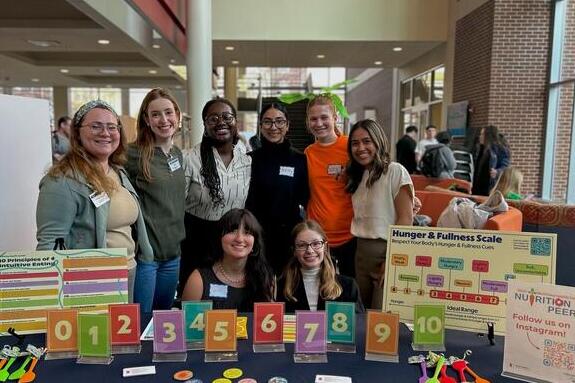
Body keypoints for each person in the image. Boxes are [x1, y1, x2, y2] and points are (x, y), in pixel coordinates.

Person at [36, 100, 153, 303]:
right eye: (96, 126)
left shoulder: (118, 172)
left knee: (119, 335)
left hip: (128, 271)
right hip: (90, 281)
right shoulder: (62, 180)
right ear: (77, 133)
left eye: (112, 127)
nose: (105, 133)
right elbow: (49, 246)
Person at [180, 98, 251, 295]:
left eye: (227, 117)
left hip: (232, 238)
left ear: (236, 121)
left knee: (228, 293)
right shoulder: (189, 158)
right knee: (195, 292)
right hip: (196, 237)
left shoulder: (246, 159)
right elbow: (178, 206)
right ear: (205, 125)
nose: (221, 122)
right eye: (213, 119)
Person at [125, 88, 186, 312]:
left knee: (161, 325)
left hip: (173, 256)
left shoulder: (177, 154)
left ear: (178, 116)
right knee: (141, 324)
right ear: (147, 120)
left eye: (169, 112)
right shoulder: (132, 154)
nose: (164, 120)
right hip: (146, 258)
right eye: (156, 114)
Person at [346, 119, 414, 309]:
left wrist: (392, 259)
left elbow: (405, 219)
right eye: (355, 143)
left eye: (367, 141)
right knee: (362, 313)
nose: (360, 148)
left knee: (380, 318)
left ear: (379, 141)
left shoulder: (395, 171)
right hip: (360, 254)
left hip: (387, 252)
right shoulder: (356, 176)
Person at [245, 102, 309, 276]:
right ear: (260, 126)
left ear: (287, 125)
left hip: (288, 237)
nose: (273, 127)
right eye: (267, 122)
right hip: (255, 236)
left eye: (279, 121)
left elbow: (305, 198)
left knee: (286, 289)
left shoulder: (300, 160)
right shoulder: (248, 160)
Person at [181, 208, 274, 311]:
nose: (239, 239)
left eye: (247, 232)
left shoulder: (265, 279)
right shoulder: (198, 280)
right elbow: (186, 325)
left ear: (255, 243)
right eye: (232, 231)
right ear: (219, 237)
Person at [305, 95, 356, 277]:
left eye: (324, 117)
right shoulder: (308, 154)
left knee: (348, 290)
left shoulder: (351, 147)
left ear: (335, 118)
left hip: (351, 235)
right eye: (313, 119)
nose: (319, 123)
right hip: (318, 238)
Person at [277, 220, 364, 313]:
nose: (310, 250)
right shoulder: (280, 287)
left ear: (325, 247)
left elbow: (359, 324)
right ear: (294, 250)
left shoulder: (349, 286)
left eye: (316, 244)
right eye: (302, 245)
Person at [471, 125, 510, 196]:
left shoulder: (499, 149)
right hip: (478, 187)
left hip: (490, 186)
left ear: (488, 136)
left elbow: (505, 166)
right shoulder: (481, 148)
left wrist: (497, 172)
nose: (480, 136)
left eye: (482, 134)